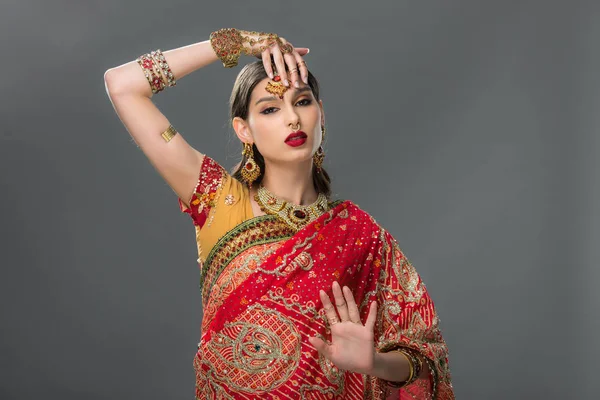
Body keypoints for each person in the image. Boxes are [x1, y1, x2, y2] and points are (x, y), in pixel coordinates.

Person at [104, 28, 454, 400]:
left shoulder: (361, 235)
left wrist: (374, 364)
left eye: (302, 102)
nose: (292, 118)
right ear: (244, 130)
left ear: (321, 113)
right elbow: (122, 85)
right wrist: (234, 43)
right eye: (270, 109)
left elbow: (424, 353)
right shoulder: (217, 199)